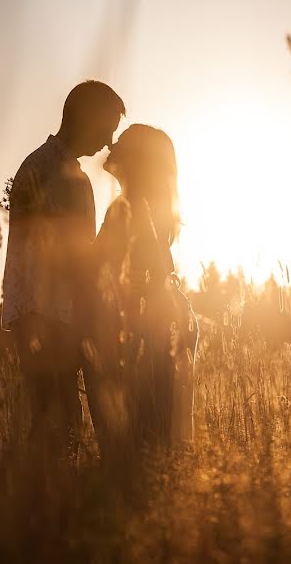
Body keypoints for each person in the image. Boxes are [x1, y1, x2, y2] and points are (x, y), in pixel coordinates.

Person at [1, 80, 125, 456]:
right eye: (106, 130)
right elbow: (74, 258)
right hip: (52, 319)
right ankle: (51, 505)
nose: (106, 142)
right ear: (86, 119)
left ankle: (43, 499)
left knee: (50, 421)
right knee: (61, 427)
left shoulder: (34, 163)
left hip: (30, 316)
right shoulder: (67, 177)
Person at [89, 124, 198, 460]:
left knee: (142, 433)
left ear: (136, 160)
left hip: (142, 323)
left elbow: (133, 273)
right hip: (162, 316)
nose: (111, 144)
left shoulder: (130, 207)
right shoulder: (152, 207)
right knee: (159, 429)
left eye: (121, 143)